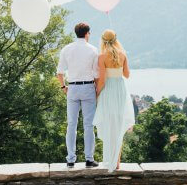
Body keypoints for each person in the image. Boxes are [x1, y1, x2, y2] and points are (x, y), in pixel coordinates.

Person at [57, 22, 99, 168]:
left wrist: (63, 87)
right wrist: (98, 91)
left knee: (71, 125)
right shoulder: (93, 50)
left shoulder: (66, 49)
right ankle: (89, 159)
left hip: (73, 88)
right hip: (88, 87)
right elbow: (96, 74)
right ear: (87, 33)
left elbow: (60, 72)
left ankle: (70, 159)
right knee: (88, 125)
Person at [93, 29, 135, 172]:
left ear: (103, 40)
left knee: (109, 124)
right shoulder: (123, 55)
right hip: (120, 91)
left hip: (108, 91)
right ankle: (117, 162)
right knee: (118, 125)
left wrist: (97, 94)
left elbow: (102, 80)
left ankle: (109, 160)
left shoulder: (102, 57)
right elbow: (127, 75)